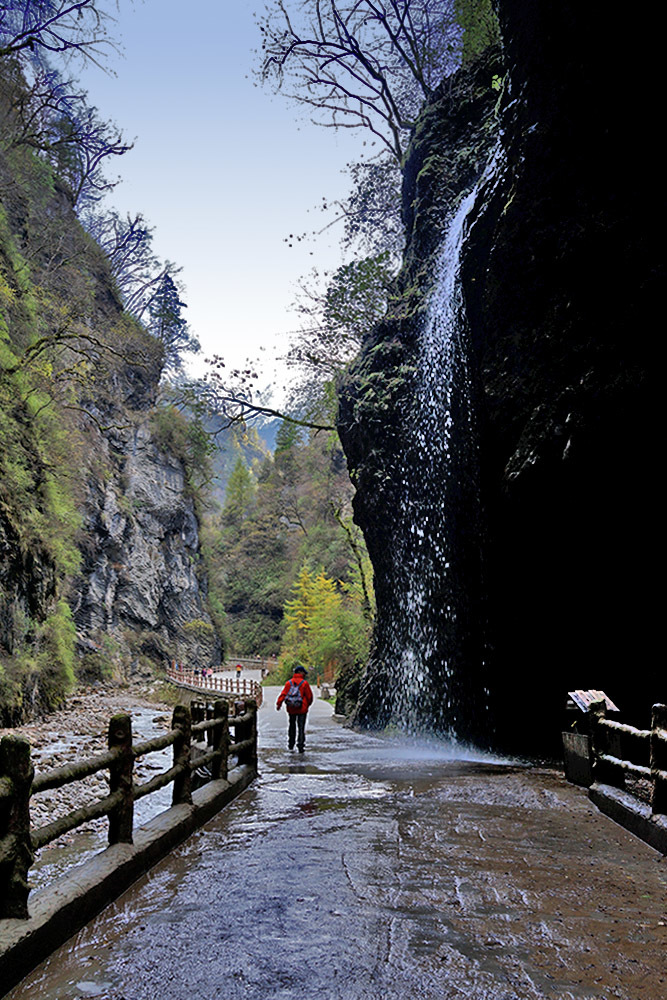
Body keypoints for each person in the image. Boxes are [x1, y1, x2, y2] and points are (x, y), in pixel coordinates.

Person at [276, 666, 313, 753]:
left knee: (292, 725)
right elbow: (309, 696)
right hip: (302, 709)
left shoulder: (289, 683)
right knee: (301, 727)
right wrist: (307, 705)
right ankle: (300, 745)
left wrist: (279, 704)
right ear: (300, 673)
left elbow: (283, 694)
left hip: (291, 708)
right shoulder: (304, 683)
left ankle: (291, 744)